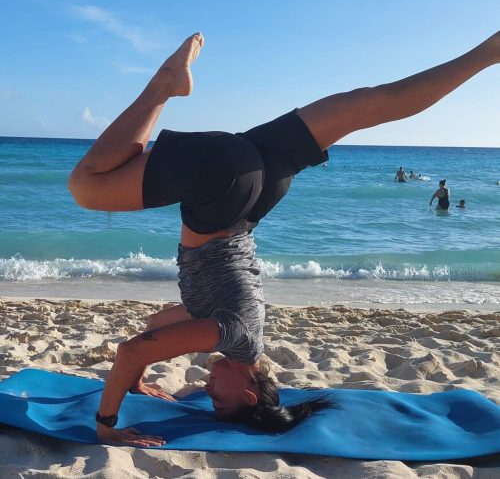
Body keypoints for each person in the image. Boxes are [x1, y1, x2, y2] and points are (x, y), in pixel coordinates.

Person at [68, 30, 500, 447]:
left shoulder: (236, 323)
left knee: (370, 104)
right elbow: (129, 352)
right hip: (223, 189)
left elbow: (153, 328)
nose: (207, 384)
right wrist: (106, 425)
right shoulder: (231, 334)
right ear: (249, 393)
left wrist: (140, 379)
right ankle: (165, 85)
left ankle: (485, 54)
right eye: (219, 396)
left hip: (260, 185)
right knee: (87, 187)